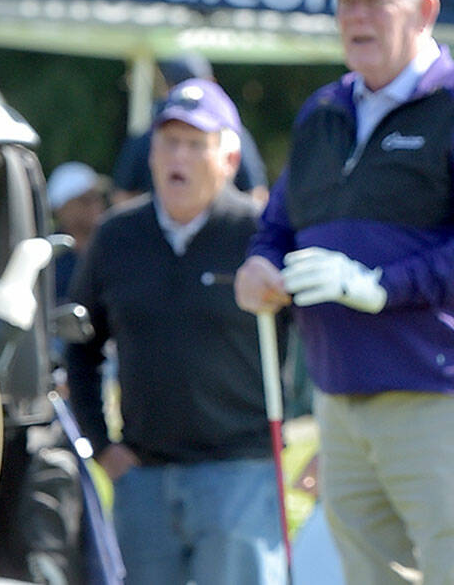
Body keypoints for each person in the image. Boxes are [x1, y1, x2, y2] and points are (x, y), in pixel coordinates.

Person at [234, 0, 454, 585]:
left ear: (424, 10)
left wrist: (381, 286)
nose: (356, 17)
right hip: (341, 397)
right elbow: (279, 226)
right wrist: (260, 264)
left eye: (374, 0)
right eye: (346, 1)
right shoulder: (323, 112)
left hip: (443, 394)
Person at [66, 78, 288, 584]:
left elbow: (318, 339)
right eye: (169, 142)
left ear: (229, 160)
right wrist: (101, 444)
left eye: (195, 144)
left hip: (242, 475)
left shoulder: (261, 233)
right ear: (151, 155)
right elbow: (81, 345)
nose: (178, 158)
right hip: (142, 477)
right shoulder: (117, 235)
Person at [110, 52, 269, 206]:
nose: (181, 155)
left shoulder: (230, 133)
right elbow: (122, 195)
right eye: (172, 142)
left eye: (196, 144)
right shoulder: (151, 133)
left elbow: (256, 194)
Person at [46, 161, 111, 304]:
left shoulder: (113, 251)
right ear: (61, 208)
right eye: (86, 200)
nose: (96, 205)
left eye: (98, 197)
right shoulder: (49, 261)